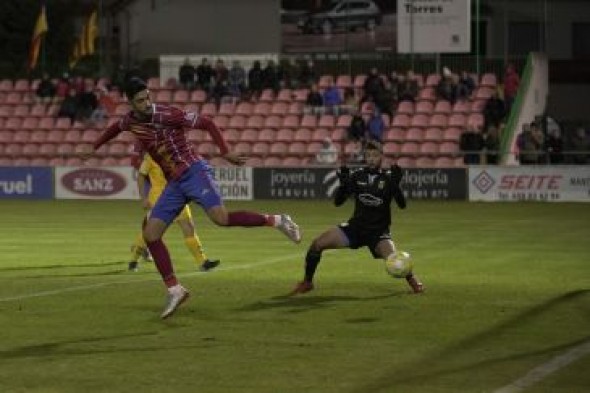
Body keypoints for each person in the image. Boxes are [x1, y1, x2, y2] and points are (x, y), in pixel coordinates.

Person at [81, 77, 301, 319]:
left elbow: (207, 123)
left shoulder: (168, 114)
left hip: (194, 171)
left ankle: (279, 221)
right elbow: (115, 128)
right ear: (130, 102)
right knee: (150, 234)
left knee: (221, 218)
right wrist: (95, 147)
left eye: (147, 97)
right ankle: (175, 290)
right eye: (140, 100)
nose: (146, 103)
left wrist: (225, 152)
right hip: (174, 184)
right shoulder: (130, 120)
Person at [290, 140, 424, 295]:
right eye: (368, 156)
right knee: (317, 244)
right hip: (355, 228)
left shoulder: (388, 178)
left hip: (378, 233)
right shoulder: (357, 175)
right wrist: (343, 184)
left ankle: (413, 280)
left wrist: (396, 185)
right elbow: (338, 202)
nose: (371, 159)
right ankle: (307, 282)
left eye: (375, 155)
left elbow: (402, 205)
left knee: (395, 261)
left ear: (381, 157)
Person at [128, 152, 220, 273]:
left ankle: (203, 262)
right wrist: (144, 198)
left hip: (176, 196)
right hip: (159, 199)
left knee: (189, 227)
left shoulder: (176, 155)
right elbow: (141, 176)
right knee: (151, 231)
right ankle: (133, 260)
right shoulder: (151, 157)